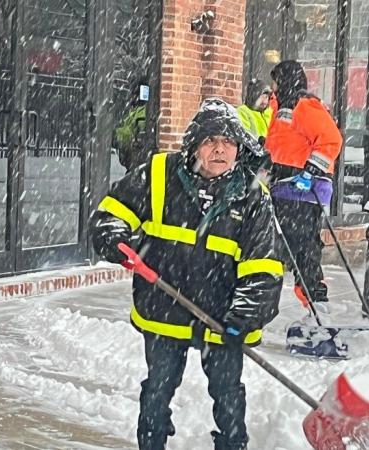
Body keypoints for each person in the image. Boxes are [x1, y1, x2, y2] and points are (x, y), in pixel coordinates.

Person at [90, 98, 283, 450]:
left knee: (228, 396)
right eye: (211, 140)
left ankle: (232, 445)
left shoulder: (254, 197)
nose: (220, 149)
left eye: (228, 142)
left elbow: (264, 267)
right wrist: (112, 233)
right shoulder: (159, 174)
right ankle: (152, 442)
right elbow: (113, 210)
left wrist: (243, 315)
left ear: (239, 148)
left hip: (223, 315)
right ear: (194, 145)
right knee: (157, 389)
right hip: (165, 307)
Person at [263, 60, 343, 307]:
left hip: (303, 190)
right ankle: (308, 295)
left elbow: (331, 139)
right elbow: (281, 145)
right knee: (285, 247)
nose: (273, 86)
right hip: (284, 189)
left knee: (302, 247)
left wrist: (310, 170)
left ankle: (315, 299)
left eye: (276, 80)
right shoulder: (280, 107)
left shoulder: (305, 106)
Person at [114, 78, 152, 172]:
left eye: (134, 95)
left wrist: (115, 135)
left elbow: (133, 132)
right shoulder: (135, 111)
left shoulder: (143, 112)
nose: (132, 97)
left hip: (137, 159)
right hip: (132, 159)